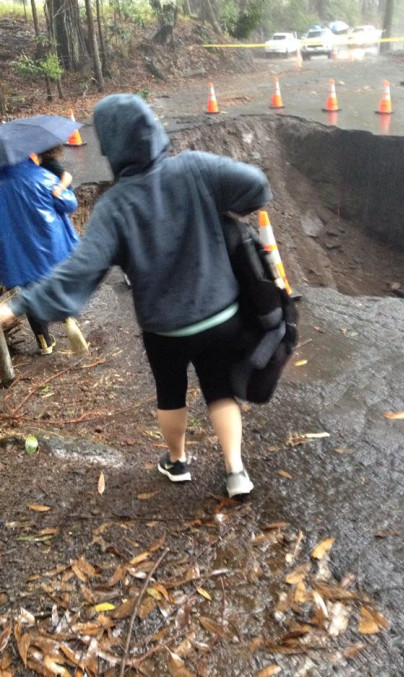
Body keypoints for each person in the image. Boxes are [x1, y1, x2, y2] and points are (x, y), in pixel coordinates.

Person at [0, 94, 272, 497]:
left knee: (170, 392)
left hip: (164, 327)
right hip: (219, 313)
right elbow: (256, 189)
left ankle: (177, 463)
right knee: (219, 389)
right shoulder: (194, 168)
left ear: (110, 146)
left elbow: (80, 270)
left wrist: (18, 305)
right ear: (153, 129)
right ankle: (236, 473)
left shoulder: (115, 205)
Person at [0, 155, 79, 354]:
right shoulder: (41, 177)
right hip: (50, 245)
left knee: (29, 292)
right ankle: (68, 318)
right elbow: (69, 204)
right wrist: (62, 190)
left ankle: (44, 342)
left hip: (17, 253)